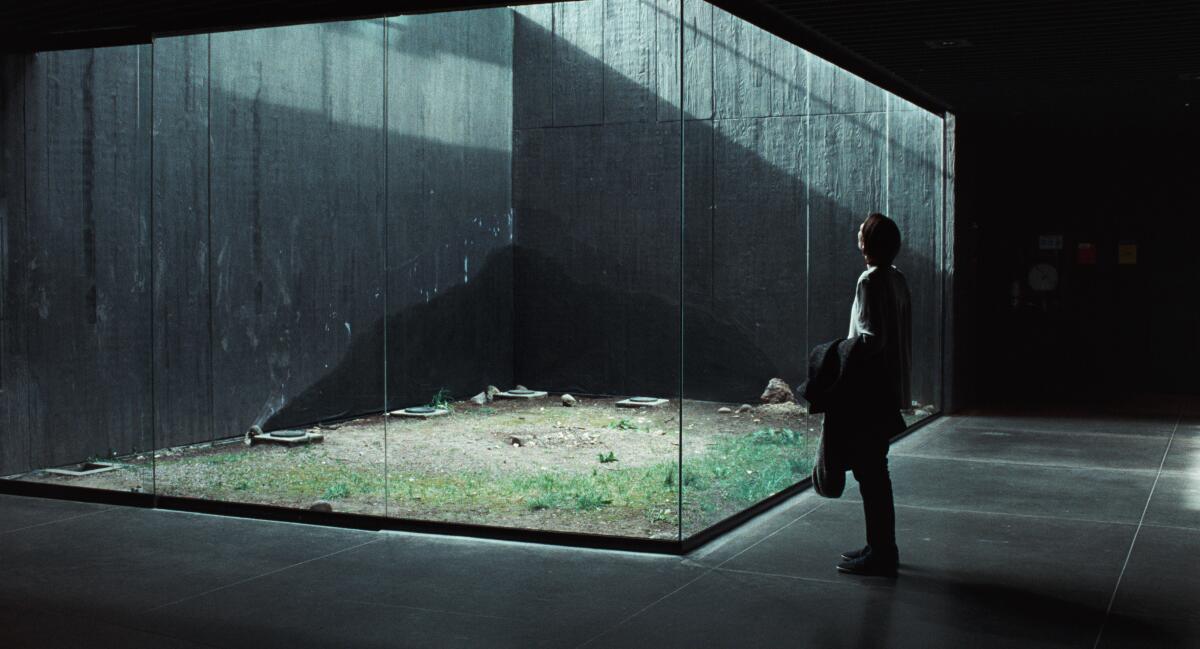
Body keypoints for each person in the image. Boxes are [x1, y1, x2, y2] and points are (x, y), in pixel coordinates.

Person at [833, 212, 912, 577]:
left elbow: (870, 339)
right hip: (888, 388)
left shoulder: (870, 280)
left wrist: (838, 352)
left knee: (871, 472)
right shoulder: (897, 279)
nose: (857, 233)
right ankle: (879, 545)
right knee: (876, 470)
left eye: (862, 230)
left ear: (868, 242)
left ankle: (882, 551)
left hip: (868, 391)